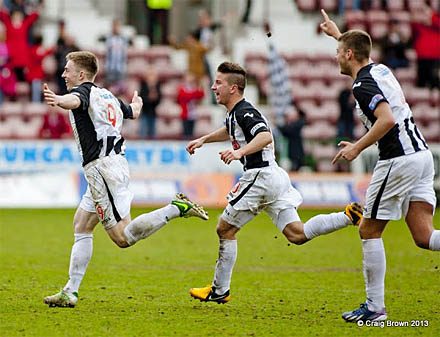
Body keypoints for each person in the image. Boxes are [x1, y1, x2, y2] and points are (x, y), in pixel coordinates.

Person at [186, 61, 363, 304]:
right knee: (296, 234)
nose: (213, 87)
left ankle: (219, 290)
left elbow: (265, 135)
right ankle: (348, 216)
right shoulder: (235, 114)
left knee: (225, 229)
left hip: (259, 177)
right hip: (274, 177)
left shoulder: (245, 112)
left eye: (218, 83)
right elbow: (229, 131)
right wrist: (203, 139)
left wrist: (239, 153)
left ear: (234, 88)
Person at [42, 51, 209, 308]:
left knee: (123, 238)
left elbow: (74, 101)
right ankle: (70, 291)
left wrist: (58, 100)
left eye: (68, 70)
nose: (63, 74)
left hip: (102, 170)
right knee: (82, 225)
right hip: (111, 166)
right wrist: (137, 104)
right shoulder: (107, 94)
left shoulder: (83, 93)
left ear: (82, 75)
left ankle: (175, 209)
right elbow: (132, 111)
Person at [319, 9, 439, 322]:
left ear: (348, 54)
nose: (336, 58)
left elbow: (385, 119)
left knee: (369, 229)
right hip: (421, 156)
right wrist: (337, 33)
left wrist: (357, 147)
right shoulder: (381, 69)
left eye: (338, 53)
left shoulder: (361, 85)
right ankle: (374, 308)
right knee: (424, 237)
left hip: (398, 160)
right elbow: (358, 49)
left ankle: (374, 309)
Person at [411, 4, 440, 89]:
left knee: (434, 81)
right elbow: (413, 27)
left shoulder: (436, 27)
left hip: (435, 58)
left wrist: (430, 14)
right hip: (422, 58)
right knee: (422, 81)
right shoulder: (420, 27)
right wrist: (417, 15)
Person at [278, 107, 306, 171]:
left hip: (296, 153)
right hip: (289, 152)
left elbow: (286, 130)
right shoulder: (290, 125)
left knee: (296, 168)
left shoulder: (299, 123)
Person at [177, 72, 204, 138]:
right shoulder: (182, 88)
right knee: (185, 131)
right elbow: (185, 97)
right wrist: (195, 93)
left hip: (193, 112)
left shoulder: (194, 87)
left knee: (191, 132)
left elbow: (201, 95)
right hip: (185, 113)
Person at [139, 68, 161, 139]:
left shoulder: (157, 87)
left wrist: (154, 98)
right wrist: (149, 98)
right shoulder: (143, 86)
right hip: (145, 112)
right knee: (143, 130)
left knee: (153, 131)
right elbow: (141, 99)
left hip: (153, 112)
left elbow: (159, 99)